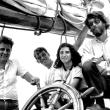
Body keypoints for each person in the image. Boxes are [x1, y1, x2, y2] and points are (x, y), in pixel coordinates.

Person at [0, 36, 40, 110]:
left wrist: (34, 79)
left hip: (13, 105)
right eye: (2, 49)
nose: (5, 52)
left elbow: (28, 77)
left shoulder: (15, 63)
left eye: (8, 50)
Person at [81, 11, 110, 107]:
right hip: (102, 81)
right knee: (87, 65)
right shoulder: (88, 45)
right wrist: (103, 69)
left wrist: (99, 62)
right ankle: (99, 103)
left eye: (97, 21)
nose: (93, 25)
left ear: (104, 22)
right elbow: (87, 65)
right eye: (90, 24)